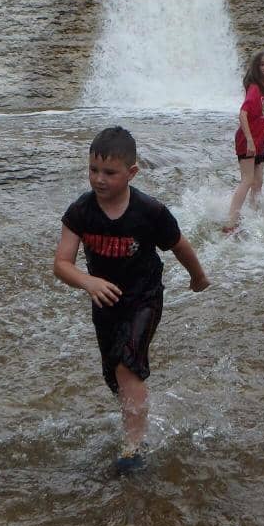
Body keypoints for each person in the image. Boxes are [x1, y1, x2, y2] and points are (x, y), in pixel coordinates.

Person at [54, 126, 209, 471]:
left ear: (132, 172)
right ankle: (137, 417)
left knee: (127, 364)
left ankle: (133, 448)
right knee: (115, 376)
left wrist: (197, 276)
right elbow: (61, 264)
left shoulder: (149, 211)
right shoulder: (80, 212)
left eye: (109, 172)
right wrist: (88, 282)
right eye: (93, 170)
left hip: (144, 298)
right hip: (105, 304)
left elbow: (179, 245)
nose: (99, 179)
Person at [224, 51, 264, 232]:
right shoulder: (255, 89)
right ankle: (230, 223)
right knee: (247, 180)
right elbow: (243, 114)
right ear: (257, 68)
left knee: (258, 181)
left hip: (259, 140)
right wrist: (249, 140)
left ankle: (252, 216)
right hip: (247, 141)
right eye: (263, 64)